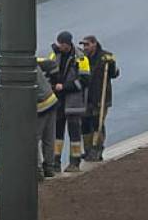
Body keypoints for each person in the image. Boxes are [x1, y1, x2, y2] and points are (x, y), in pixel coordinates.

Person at [44, 31, 90, 172]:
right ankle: (55, 162)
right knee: (57, 133)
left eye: (62, 44)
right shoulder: (54, 55)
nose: (60, 47)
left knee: (74, 132)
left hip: (74, 102)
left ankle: (74, 162)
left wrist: (64, 87)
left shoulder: (81, 58)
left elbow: (84, 80)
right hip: (58, 100)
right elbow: (48, 74)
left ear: (68, 44)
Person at [79, 35, 119, 160]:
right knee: (85, 124)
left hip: (100, 97)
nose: (85, 47)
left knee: (98, 123)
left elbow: (113, 74)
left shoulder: (105, 57)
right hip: (86, 97)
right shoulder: (82, 58)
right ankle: (88, 149)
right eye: (84, 45)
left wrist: (111, 64)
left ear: (94, 44)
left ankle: (97, 149)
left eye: (87, 44)